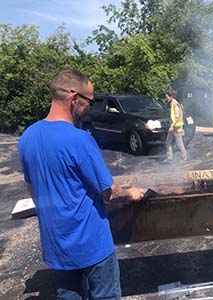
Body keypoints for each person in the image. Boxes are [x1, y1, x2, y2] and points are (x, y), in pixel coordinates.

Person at [18, 68, 144, 300]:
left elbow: (32, 188)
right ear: (74, 99)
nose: (90, 107)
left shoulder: (28, 137)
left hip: (56, 244)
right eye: (89, 101)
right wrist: (131, 192)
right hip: (91, 244)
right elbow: (109, 193)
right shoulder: (80, 140)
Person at [163, 91, 187, 163]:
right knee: (168, 142)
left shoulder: (175, 105)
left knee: (179, 143)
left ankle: (184, 158)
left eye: (166, 97)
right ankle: (169, 158)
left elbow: (177, 118)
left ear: (171, 96)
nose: (166, 98)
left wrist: (171, 126)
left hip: (177, 127)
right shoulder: (172, 104)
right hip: (173, 127)